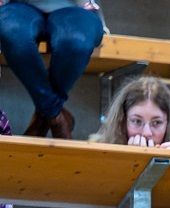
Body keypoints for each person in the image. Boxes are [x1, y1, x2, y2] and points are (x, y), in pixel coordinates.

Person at [80, 75, 170, 208]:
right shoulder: (105, 161)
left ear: (168, 124)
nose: (146, 133)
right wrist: (146, 170)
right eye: (137, 121)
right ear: (123, 121)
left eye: (156, 123)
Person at [0, 0, 106, 140]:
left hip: (77, 7)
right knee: (12, 33)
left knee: (76, 43)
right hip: (16, 5)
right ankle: (55, 115)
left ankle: (44, 117)